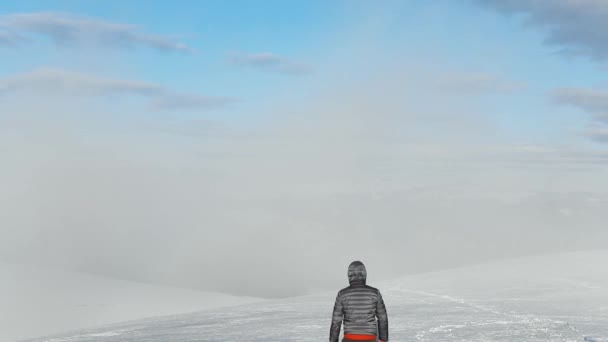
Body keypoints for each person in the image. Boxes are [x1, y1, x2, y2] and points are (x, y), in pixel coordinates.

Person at [329, 260, 389, 342]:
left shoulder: (342, 294)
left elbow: (336, 321)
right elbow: (383, 318)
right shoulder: (375, 293)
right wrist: (383, 339)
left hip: (349, 338)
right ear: (364, 274)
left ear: (349, 275)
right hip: (370, 339)